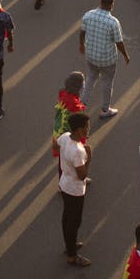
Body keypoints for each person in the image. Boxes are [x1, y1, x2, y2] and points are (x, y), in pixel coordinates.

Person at [80, 0, 129, 117]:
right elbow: (119, 42)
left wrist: (82, 45)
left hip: (91, 56)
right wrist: (125, 55)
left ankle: (81, 104)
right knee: (107, 83)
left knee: (91, 77)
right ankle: (105, 110)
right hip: (107, 60)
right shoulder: (113, 22)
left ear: (100, 3)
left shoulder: (88, 15)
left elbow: (82, 32)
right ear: (112, 5)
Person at [58, 112, 92, 268]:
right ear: (79, 130)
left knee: (67, 217)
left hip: (64, 183)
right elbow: (82, 175)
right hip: (75, 190)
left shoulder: (65, 137)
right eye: (86, 126)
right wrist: (89, 157)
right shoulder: (78, 151)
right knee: (74, 221)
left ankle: (69, 244)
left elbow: (55, 144)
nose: (88, 129)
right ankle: (72, 255)